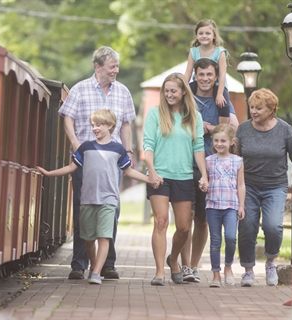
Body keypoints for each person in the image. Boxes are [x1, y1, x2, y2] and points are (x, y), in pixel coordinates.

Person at [37, 110, 149, 285]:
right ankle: (94, 265)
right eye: (93, 125)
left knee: (104, 237)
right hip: (87, 199)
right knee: (88, 238)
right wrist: (49, 174)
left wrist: (150, 179)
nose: (94, 128)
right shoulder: (86, 147)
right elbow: (71, 168)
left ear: (110, 126)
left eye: (98, 125)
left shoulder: (118, 149)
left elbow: (129, 171)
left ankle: (96, 272)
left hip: (109, 200)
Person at [58, 46, 136, 280]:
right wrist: (74, 143)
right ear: (98, 66)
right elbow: (67, 117)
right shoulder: (80, 89)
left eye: (117, 66)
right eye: (112, 67)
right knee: (84, 211)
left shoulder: (123, 91)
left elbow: (125, 125)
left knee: (110, 211)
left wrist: (129, 151)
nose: (116, 70)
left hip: (112, 163)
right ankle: (79, 264)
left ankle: (107, 264)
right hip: (86, 159)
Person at [143, 72, 207, 286]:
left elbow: (198, 149)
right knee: (161, 221)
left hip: (184, 177)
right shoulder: (155, 114)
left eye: (173, 91)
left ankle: (173, 258)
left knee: (183, 228)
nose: (169, 94)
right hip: (159, 175)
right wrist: (151, 171)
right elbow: (148, 145)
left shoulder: (194, 117)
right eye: (166, 91)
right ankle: (160, 272)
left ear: (182, 93)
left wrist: (204, 175)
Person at [236, 88, 292, 287]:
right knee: (247, 226)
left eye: (259, 108)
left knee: (273, 226)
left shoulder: (284, 130)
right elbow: (235, 158)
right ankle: (248, 270)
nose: (254, 111)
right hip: (248, 186)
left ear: (271, 109)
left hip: (275, 186)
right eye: (251, 107)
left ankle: (271, 263)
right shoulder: (243, 129)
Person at [180, 58, 235, 283]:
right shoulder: (186, 93)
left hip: (210, 166)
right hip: (184, 164)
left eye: (209, 75)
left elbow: (227, 129)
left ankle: (194, 265)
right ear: (195, 75)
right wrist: (193, 125)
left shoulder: (221, 97)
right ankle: (184, 266)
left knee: (202, 220)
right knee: (186, 218)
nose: (204, 79)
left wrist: (209, 128)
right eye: (200, 74)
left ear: (215, 77)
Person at [204, 124, 245, 287]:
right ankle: (216, 275)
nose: (219, 144)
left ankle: (228, 267)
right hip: (213, 205)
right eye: (216, 140)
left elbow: (241, 184)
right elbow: (206, 181)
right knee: (215, 240)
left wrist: (241, 205)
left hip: (231, 205)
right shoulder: (208, 161)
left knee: (230, 237)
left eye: (223, 141)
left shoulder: (237, 161)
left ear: (231, 142)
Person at [183, 19, 232, 109]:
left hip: (217, 84)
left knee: (223, 103)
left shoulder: (220, 52)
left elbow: (222, 74)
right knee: (183, 97)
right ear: (196, 35)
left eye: (208, 33)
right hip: (199, 83)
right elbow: (188, 72)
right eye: (201, 33)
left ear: (214, 36)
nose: (204, 36)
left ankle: (224, 119)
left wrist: (220, 93)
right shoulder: (193, 52)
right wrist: (182, 85)